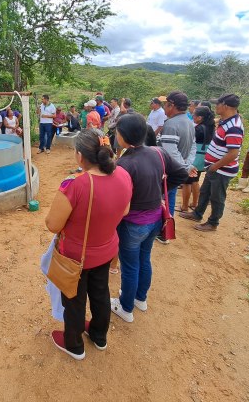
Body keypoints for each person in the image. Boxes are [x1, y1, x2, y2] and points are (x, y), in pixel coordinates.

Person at [45, 129, 132, 360]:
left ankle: (74, 345)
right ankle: (99, 336)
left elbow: (52, 225)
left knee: (73, 300)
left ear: (80, 156)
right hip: (107, 250)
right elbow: (125, 210)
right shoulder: (123, 175)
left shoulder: (75, 185)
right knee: (101, 293)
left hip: (76, 257)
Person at [111, 114, 188, 322]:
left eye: (117, 132)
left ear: (123, 136)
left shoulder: (124, 164)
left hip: (133, 225)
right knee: (144, 259)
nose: (116, 135)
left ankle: (126, 308)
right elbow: (182, 174)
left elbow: (118, 200)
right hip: (155, 221)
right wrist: (161, 193)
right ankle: (140, 299)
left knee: (130, 266)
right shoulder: (158, 152)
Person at [179, 94, 244, 231]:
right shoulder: (225, 121)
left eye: (218, 104)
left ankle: (213, 223)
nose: (215, 107)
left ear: (225, 105)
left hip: (221, 169)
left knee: (217, 197)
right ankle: (197, 213)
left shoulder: (234, 127)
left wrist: (215, 166)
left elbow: (233, 153)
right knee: (205, 192)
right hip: (213, 167)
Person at [157, 91, 196, 227]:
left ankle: (162, 228)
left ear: (171, 105)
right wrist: (186, 164)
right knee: (170, 197)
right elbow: (193, 147)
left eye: (166, 104)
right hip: (178, 168)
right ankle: (168, 225)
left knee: (161, 199)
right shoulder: (189, 122)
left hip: (168, 170)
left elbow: (171, 153)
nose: (165, 108)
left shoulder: (171, 124)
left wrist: (182, 167)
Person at [180, 106, 215, 211]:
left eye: (194, 115)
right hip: (202, 158)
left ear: (200, 117)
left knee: (187, 182)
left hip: (194, 158)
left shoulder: (198, 129)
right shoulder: (210, 127)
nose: (192, 116)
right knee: (195, 180)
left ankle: (185, 206)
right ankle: (195, 203)